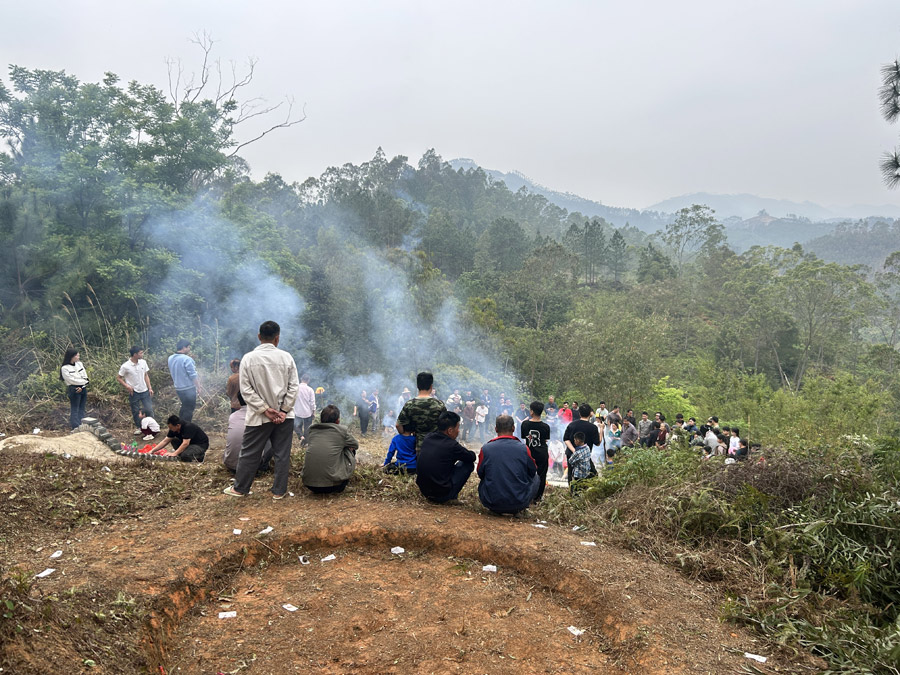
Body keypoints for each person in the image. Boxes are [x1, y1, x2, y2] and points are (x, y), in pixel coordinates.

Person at [224, 320, 299, 500]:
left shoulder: (248, 358)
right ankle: (279, 491)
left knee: (250, 452)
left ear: (259, 337)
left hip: (259, 417)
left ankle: (240, 489)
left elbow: (246, 390)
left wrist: (265, 409)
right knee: (282, 454)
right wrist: (283, 410)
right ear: (277, 338)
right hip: (284, 417)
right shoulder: (287, 357)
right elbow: (294, 387)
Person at [477, 415, 538, 515]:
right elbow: (532, 471)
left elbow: (480, 473)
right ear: (513, 428)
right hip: (518, 503)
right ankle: (521, 507)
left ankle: (495, 508)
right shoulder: (523, 448)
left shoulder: (486, 448)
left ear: (496, 429)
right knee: (536, 478)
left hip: (491, 502)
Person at [415, 411, 476, 504]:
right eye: (458, 428)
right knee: (468, 464)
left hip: (424, 491)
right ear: (450, 430)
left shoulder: (428, 437)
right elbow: (471, 457)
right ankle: (450, 497)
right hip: (441, 495)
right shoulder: (452, 445)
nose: (459, 431)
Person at [303, 404, 359, 493]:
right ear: (337, 420)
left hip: (309, 484)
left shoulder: (312, 430)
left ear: (321, 419)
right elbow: (355, 445)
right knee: (349, 448)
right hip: (334, 486)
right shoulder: (341, 431)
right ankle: (341, 477)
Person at [224, 392, 274, 474]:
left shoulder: (233, 416)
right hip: (252, 467)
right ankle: (263, 467)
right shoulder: (262, 416)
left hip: (230, 464)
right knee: (272, 437)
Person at [396, 372, 446, 454]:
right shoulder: (439, 404)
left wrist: (406, 437)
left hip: (417, 447)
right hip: (436, 447)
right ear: (431, 386)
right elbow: (446, 426)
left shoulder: (409, 404)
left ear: (417, 386)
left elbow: (398, 425)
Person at [117, 346, 153, 436]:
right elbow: (119, 377)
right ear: (135, 354)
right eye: (141, 353)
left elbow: (146, 375)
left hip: (144, 390)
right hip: (134, 392)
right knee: (136, 410)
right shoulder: (125, 366)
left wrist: (150, 388)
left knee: (149, 408)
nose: (142, 354)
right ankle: (139, 427)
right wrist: (127, 386)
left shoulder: (143, 362)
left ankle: (152, 426)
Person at [520, 401, 550, 503]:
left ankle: (526, 495)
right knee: (541, 475)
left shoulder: (525, 424)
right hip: (542, 453)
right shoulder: (545, 426)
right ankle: (538, 497)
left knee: (527, 474)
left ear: (531, 411)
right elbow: (545, 440)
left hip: (529, 453)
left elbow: (524, 438)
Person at [168, 339, 200, 422]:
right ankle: (185, 426)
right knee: (189, 409)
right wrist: (198, 387)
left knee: (184, 406)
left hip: (178, 388)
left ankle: (180, 425)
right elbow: (193, 375)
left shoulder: (170, 358)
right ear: (183, 347)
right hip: (188, 388)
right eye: (188, 347)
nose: (189, 349)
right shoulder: (187, 359)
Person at [60, 347, 89, 430]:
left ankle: (82, 425)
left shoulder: (79, 364)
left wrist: (83, 385)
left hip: (83, 387)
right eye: (77, 355)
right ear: (71, 356)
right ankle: (75, 427)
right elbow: (71, 380)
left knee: (82, 408)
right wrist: (81, 383)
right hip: (74, 389)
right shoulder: (65, 368)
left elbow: (84, 375)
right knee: (75, 409)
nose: (78, 357)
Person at [293, 373, 316, 445]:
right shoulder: (310, 390)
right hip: (307, 412)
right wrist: (313, 412)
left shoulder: (295, 388)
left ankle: (301, 436)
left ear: (301, 379)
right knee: (307, 428)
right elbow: (312, 403)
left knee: (297, 426)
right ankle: (305, 443)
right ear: (308, 380)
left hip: (297, 411)